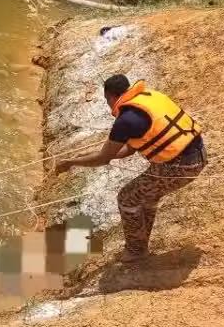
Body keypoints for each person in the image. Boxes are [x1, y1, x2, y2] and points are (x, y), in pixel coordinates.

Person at [54, 74, 207, 263]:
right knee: (146, 196)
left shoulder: (125, 121)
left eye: (107, 101)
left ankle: (136, 250)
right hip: (198, 154)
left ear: (111, 96)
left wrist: (70, 162)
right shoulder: (149, 98)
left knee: (126, 198)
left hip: (181, 166)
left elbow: (103, 158)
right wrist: (87, 156)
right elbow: (128, 149)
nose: (108, 106)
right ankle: (140, 244)